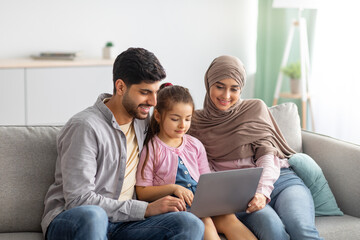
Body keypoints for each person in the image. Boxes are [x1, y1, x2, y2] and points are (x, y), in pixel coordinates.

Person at [41, 47, 204, 240]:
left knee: (189, 223)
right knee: (94, 215)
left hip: (126, 224)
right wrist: (146, 209)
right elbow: (79, 201)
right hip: (76, 219)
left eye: (156, 92)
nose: (153, 101)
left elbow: (175, 135)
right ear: (120, 87)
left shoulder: (142, 119)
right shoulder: (85, 127)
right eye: (145, 92)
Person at [188, 55, 323, 240]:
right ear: (208, 83)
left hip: (281, 182)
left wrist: (262, 192)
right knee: (272, 231)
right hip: (240, 195)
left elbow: (267, 155)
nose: (226, 96)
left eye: (234, 89)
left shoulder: (254, 108)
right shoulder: (193, 123)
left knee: (301, 229)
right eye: (219, 87)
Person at [135, 84, 257, 240]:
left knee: (229, 218)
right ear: (158, 116)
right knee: (205, 221)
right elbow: (142, 192)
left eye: (187, 119)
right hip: (175, 206)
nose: (182, 125)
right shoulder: (151, 148)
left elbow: (207, 180)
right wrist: (174, 188)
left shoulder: (195, 145)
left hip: (201, 201)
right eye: (175, 119)